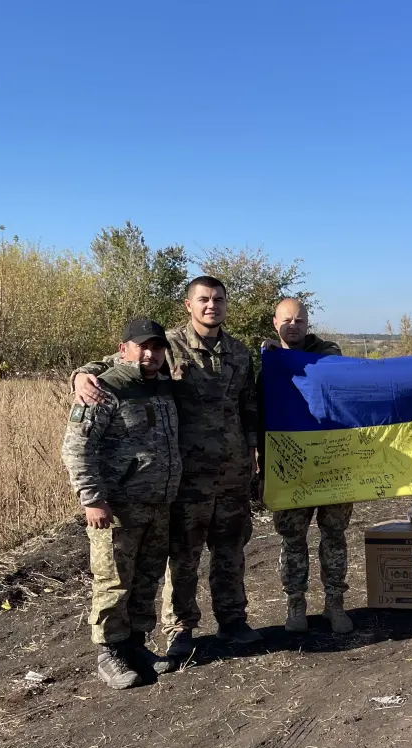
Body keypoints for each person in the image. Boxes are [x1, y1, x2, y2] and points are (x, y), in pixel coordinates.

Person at [72, 276, 260, 666]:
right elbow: (115, 363)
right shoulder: (167, 345)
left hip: (232, 474)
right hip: (184, 478)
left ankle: (232, 619)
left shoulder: (240, 353)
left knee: (231, 551)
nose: (212, 305)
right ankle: (180, 629)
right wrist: (79, 375)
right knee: (183, 556)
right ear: (189, 305)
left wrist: (253, 456)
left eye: (219, 299)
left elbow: (249, 408)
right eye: (204, 299)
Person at [61, 320, 181, 689]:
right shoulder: (103, 388)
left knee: (146, 579)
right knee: (113, 581)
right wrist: (92, 499)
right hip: (118, 507)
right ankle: (109, 653)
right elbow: (76, 448)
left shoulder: (163, 385)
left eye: (157, 347)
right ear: (123, 348)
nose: (150, 354)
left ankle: (135, 645)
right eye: (142, 346)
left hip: (158, 504)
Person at [261, 298, 354, 635]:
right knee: (292, 540)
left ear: (307, 323)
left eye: (299, 320)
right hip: (290, 466)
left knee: (334, 536)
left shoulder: (326, 351)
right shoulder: (266, 361)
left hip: (333, 462)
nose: (293, 326)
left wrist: (283, 358)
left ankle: (335, 604)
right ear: (275, 323)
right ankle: (295, 604)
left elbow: (332, 369)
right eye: (286, 320)